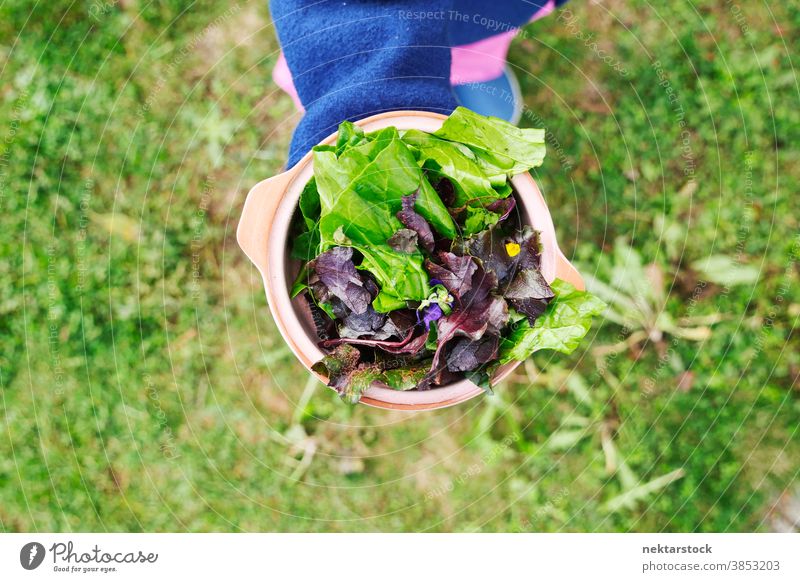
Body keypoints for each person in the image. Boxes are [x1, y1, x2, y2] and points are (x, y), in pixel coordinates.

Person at [269, 0, 568, 167]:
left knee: (487, 89)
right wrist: (364, 112)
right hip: (347, 49)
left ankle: (466, 78)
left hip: (483, 22)